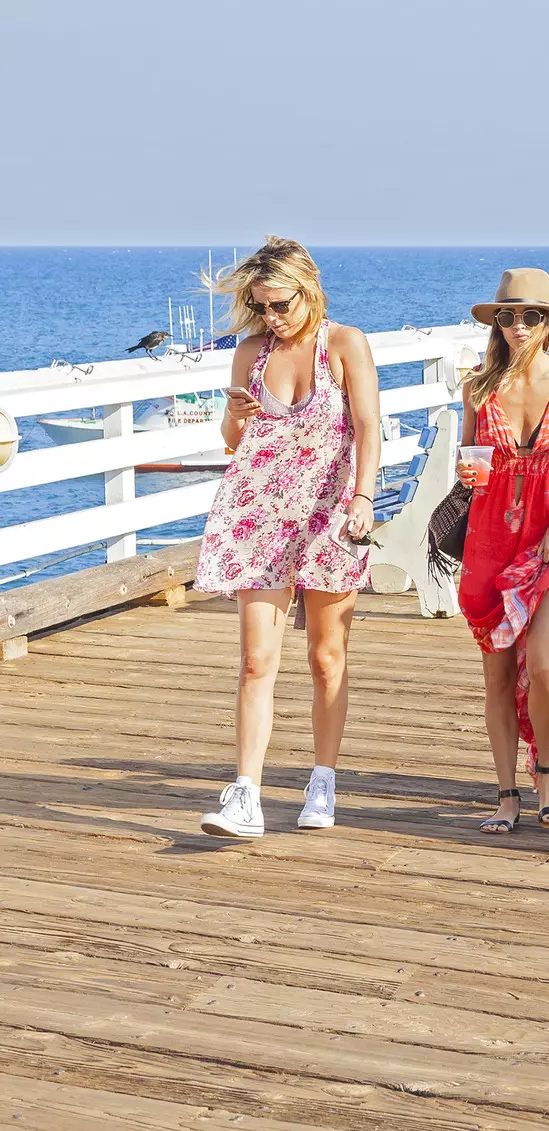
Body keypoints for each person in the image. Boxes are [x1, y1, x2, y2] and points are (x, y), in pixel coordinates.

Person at [194, 237, 382, 838]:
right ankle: (244, 794)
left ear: (309, 290)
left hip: (331, 514)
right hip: (259, 517)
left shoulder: (345, 344)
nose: (272, 318)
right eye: (263, 307)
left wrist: (363, 496)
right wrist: (235, 416)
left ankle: (322, 780)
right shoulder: (250, 352)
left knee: (327, 658)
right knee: (255, 661)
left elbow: (367, 426)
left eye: (282, 305)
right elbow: (232, 440)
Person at [458, 269, 549, 834]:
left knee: (542, 666)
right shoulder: (478, 385)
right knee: (496, 675)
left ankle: (547, 770)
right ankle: (505, 793)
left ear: (548, 323)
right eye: (508, 316)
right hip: (490, 535)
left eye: (531, 317)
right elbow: (469, 458)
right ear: (497, 322)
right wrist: (467, 473)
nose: (519, 327)